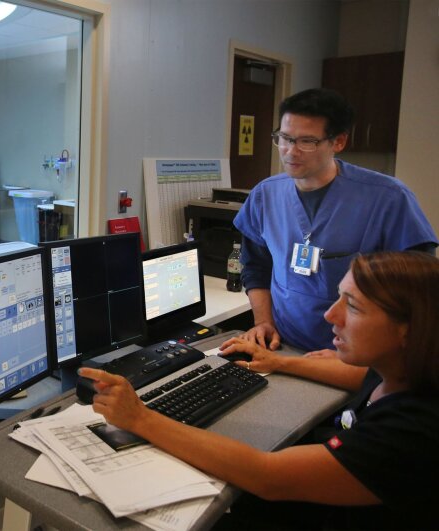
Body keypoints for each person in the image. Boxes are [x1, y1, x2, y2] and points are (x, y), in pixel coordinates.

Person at [80, 251, 439, 530]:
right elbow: (359, 376)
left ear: (410, 329)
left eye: (354, 307)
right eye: (339, 298)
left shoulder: (414, 428)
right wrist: (279, 362)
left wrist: (141, 418)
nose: (331, 315)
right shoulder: (399, 368)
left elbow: (268, 476)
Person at [232, 88, 436, 355]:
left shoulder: (389, 198)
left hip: (356, 357)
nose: (290, 151)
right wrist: (263, 322)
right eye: (284, 138)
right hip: (284, 344)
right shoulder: (265, 195)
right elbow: (256, 266)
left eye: (307, 141)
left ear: (338, 142)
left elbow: (418, 290)